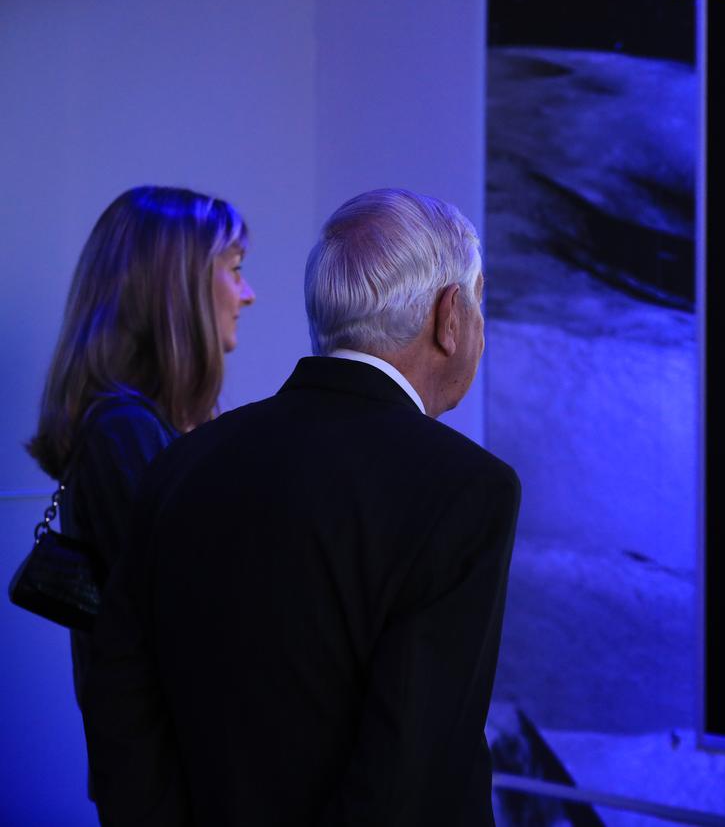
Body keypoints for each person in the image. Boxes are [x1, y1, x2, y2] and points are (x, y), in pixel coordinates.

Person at [83, 189, 520, 826]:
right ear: (450, 317)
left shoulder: (185, 462)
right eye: (479, 302)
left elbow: (120, 700)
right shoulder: (468, 490)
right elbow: (411, 776)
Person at [25, 186, 254, 792]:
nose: (247, 294)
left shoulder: (139, 429)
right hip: (170, 782)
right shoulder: (124, 434)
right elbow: (198, 618)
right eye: (235, 270)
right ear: (178, 289)